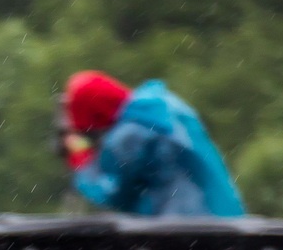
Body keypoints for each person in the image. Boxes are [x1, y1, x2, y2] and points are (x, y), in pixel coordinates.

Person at [56, 71, 244, 217]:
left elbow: (115, 195)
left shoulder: (129, 135)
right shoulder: (165, 104)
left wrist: (82, 161)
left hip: (183, 228)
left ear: (96, 117)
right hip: (225, 216)